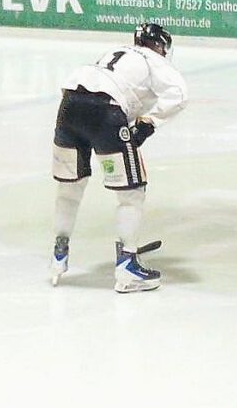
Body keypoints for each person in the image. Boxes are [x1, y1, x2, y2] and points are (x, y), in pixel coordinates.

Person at [50, 23, 188, 292]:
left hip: (68, 106)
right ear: (159, 46)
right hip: (105, 111)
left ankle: (59, 253)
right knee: (132, 192)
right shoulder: (154, 60)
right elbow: (179, 95)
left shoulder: (113, 52)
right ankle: (127, 265)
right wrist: (148, 123)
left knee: (69, 188)